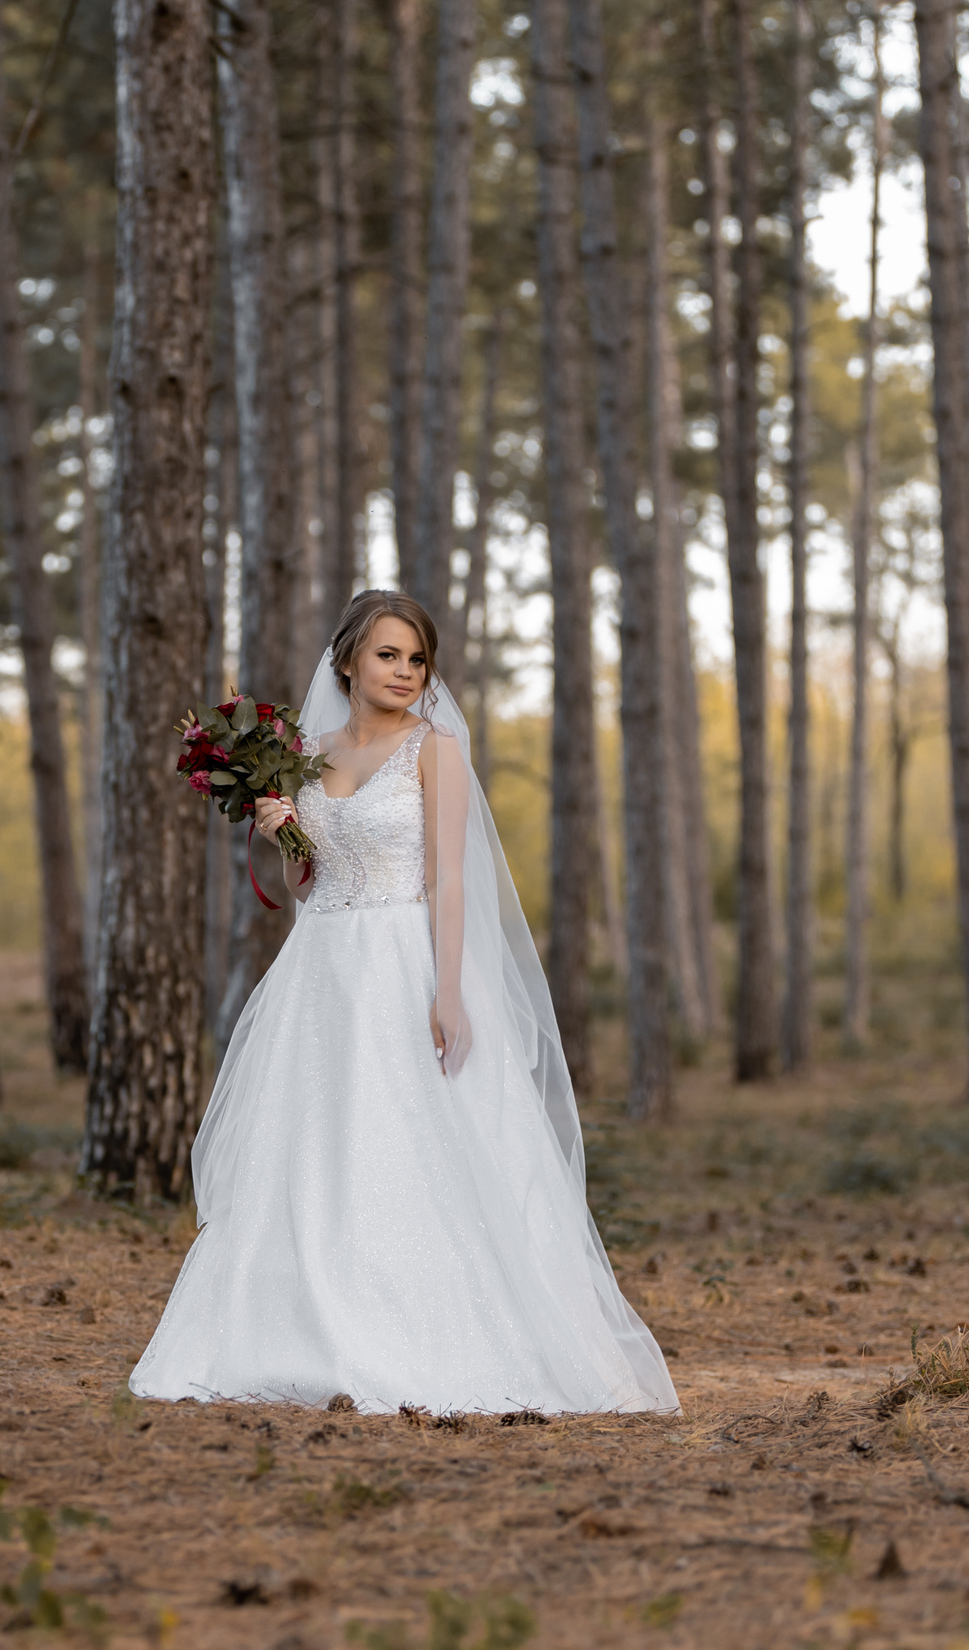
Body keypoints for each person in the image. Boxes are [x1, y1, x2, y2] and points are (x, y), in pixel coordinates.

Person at [130, 590, 679, 1416]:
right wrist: (285, 829)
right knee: (317, 1144)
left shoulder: (436, 749)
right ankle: (300, 1327)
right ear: (347, 658)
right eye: (388, 655)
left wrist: (448, 990)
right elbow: (307, 884)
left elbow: (451, 877)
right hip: (321, 969)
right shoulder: (306, 753)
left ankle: (427, 1332)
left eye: (416, 659)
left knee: (415, 1137)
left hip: (406, 958)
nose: (404, 672)